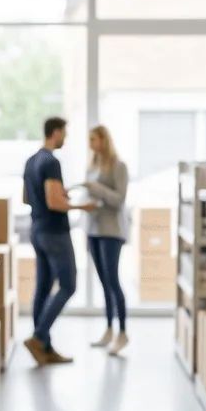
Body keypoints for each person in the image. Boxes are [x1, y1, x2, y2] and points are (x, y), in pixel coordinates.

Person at [22, 116, 94, 365]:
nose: (65, 138)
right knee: (68, 285)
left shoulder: (32, 161)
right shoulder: (51, 162)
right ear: (55, 133)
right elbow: (54, 202)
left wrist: (56, 196)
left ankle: (45, 348)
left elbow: (27, 198)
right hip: (55, 232)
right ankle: (39, 337)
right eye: (64, 133)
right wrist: (83, 206)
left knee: (42, 288)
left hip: (37, 229)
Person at [83, 125, 130, 355]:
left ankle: (122, 332)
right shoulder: (92, 165)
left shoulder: (119, 166)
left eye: (93, 139)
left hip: (111, 232)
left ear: (104, 140)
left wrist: (97, 189)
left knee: (113, 281)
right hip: (93, 229)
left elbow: (119, 199)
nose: (90, 143)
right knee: (103, 282)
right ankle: (109, 329)